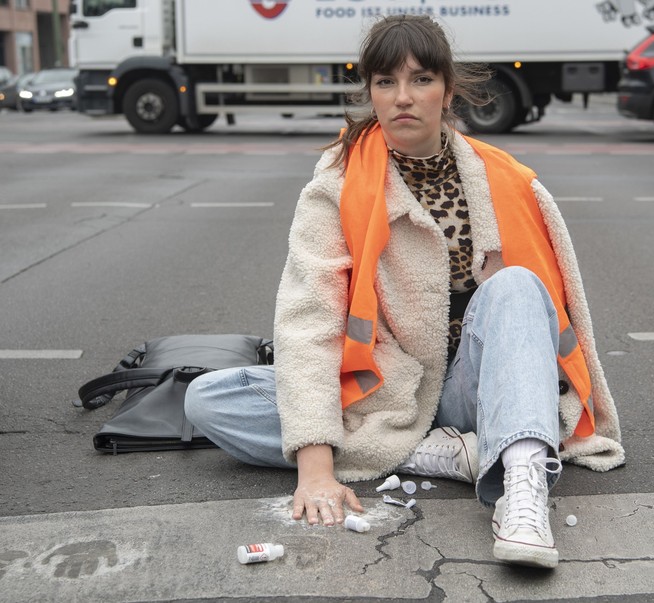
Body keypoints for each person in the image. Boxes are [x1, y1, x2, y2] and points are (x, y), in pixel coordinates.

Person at [185, 14, 624, 569]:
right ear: (369, 91)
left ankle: (520, 490)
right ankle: (450, 453)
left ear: (447, 89)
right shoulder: (337, 186)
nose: (402, 98)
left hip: (479, 386)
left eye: (420, 79)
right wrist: (315, 469)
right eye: (386, 82)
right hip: (385, 394)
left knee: (515, 285)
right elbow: (310, 320)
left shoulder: (506, 179)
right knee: (208, 399)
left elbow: (561, 316)